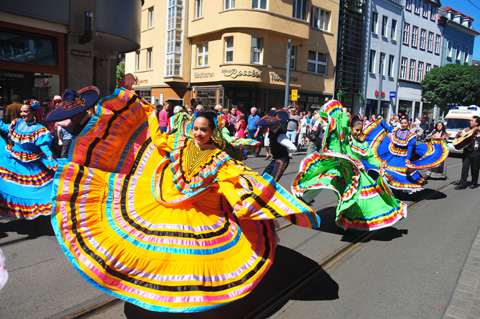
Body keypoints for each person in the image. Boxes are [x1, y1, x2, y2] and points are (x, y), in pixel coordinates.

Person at [50, 88, 320, 313]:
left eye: (204, 130)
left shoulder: (220, 159)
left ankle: (188, 301)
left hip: (202, 213)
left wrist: (244, 203)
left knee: (192, 263)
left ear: (213, 132)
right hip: (167, 202)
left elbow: (231, 182)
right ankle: (155, 291)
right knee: (150, 251)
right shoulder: (180, 143)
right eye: (196, 128)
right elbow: (157, 138)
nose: (199, 133)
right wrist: (147, 113)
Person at [293, 100, 407, 231]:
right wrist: (342, 114)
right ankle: (348, 221)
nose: (359, 133)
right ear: (351, 129)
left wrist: (380, 164)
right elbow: (340, 127)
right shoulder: (346, 139)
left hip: (360, 175)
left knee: (364, 199)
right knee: (350, 198)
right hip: (347, 173)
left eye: (360, 131)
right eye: (356, 130)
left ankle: (356, 221)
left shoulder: (363, 144)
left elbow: (370, 157)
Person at [0, 100, 57, 219]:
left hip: (31, 163)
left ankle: (36, 214)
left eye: (25, 112)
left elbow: (44, 146)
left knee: (32, 190)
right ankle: (18, 211)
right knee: (11, 186)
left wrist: (50, 156)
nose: (22, 114)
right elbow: (6, 128)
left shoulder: (39, 129)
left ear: (33, 112)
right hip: (14, 159)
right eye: (21, 112)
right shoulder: (18, 123)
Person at [362, 117, 449, 192]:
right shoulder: (396, 131)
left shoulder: (410, 136)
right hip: (392, 156)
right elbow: (388, 127)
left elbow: (410, 149)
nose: (403, 124)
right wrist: (381, 120)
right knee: (386, 170)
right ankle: (393, 190)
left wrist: (407, 159)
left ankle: (400, 191)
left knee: (402, 175)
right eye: (402, 123)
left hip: (402, 158)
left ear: (408, 124)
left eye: (405, 123)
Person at [257, 109, 297, 181]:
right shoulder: (272, 132)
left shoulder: (280, 136)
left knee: (272, 181)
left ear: (277, 123)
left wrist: (284, 151)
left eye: (271, 124)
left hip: (282, 160)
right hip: (275, 159)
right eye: (269, 124)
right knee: (263, 178)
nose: (269, 126)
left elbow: (293, 148)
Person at [454, 116, 480, 189]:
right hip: (467, 151)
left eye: (472, 121)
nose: (470, 122)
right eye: (471, 121)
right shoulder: (467, 129)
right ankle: (462, 183)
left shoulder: (479, 130)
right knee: (465, 167)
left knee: (475, 168)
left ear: (477, 123)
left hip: (476, 151)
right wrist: (458, 134)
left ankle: (474, 183)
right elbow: (458, 138)